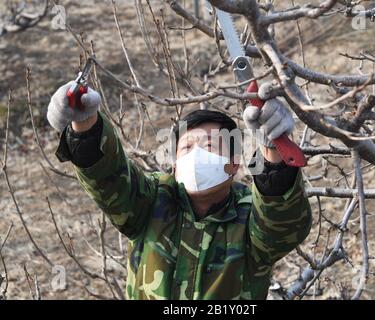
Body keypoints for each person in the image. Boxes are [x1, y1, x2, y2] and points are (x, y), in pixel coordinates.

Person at [47, 81, 312, 300]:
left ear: (234, 163)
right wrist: (85, 123)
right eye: (186, 148)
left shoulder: (249, 215)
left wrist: (273, 149)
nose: (196, 154)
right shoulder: (151, 200)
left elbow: (281, 224)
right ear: (174, 167)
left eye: (209, 145)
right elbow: (109, 177)